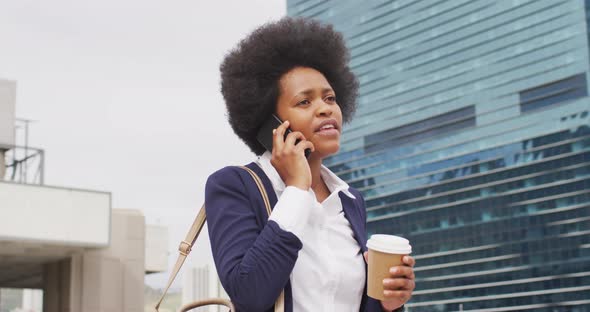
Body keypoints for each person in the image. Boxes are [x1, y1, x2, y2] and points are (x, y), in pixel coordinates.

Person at [205, 17, 415, 312]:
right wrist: (296, 190)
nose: (325, 108)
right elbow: (249, 294)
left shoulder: (350, 200)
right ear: (271, 123)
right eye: (305, 102)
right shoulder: (233, 186)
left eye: (330, 97)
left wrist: (387, 304)